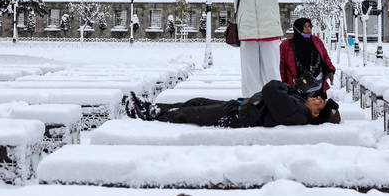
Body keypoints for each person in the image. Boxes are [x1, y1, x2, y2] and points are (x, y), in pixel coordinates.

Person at [123, 76, 340, 128]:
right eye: (321, 98)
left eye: (321, 103)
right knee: (197, 102)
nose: (319, 98)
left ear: (315, 114)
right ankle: (152, 107)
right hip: (239, 107)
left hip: (237, 117)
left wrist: (290, 88)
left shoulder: (298, 113)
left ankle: (148, 114)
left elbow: (271, 87)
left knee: (188, 115)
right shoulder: (300, 105)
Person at [222, 0, 290, 97]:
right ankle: (252, 102)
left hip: (270, 33)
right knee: (250, 73)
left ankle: (276, 99)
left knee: (272, 71)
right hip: (247, 34)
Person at [279, 17, 336, 91]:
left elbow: (325, 56)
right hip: (296, 84)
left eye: (309, 26)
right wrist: (284, 82)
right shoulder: (286, 45)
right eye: (305, 26)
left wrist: (331, 70)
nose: (308, 29)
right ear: (298, 28)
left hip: (317, 82)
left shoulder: (316, 40)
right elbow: (283, 65)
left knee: (318, 102)